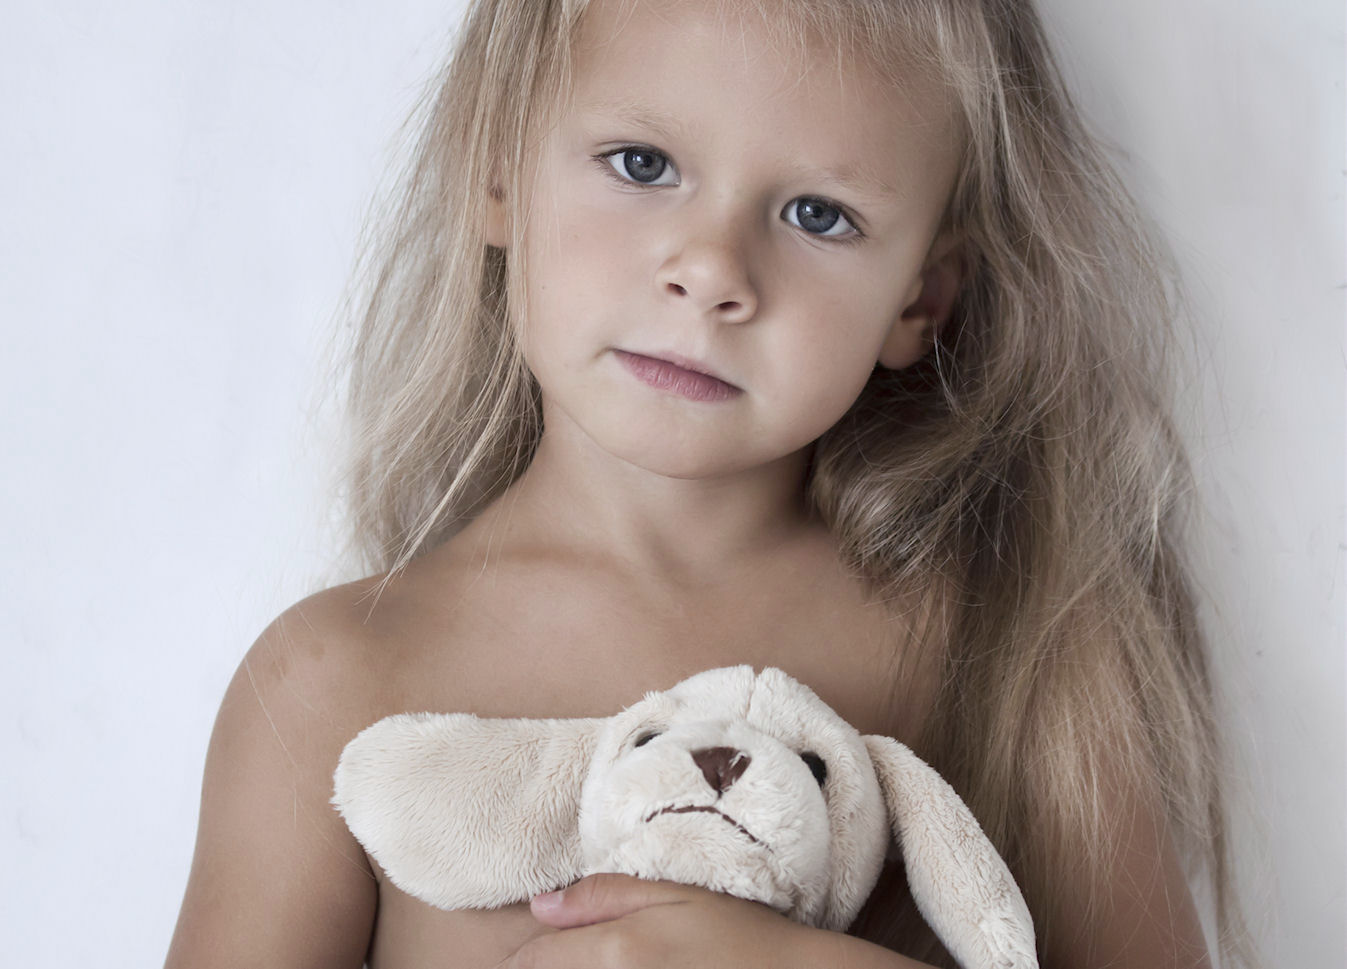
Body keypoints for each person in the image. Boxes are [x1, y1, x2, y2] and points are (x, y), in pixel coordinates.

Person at [165, 0, 1250, 966]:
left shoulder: (1022, 651)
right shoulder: (332, 684)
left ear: (920, 299)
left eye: (818, 215)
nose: (712, 271)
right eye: (642, 164)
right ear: (496, 168)